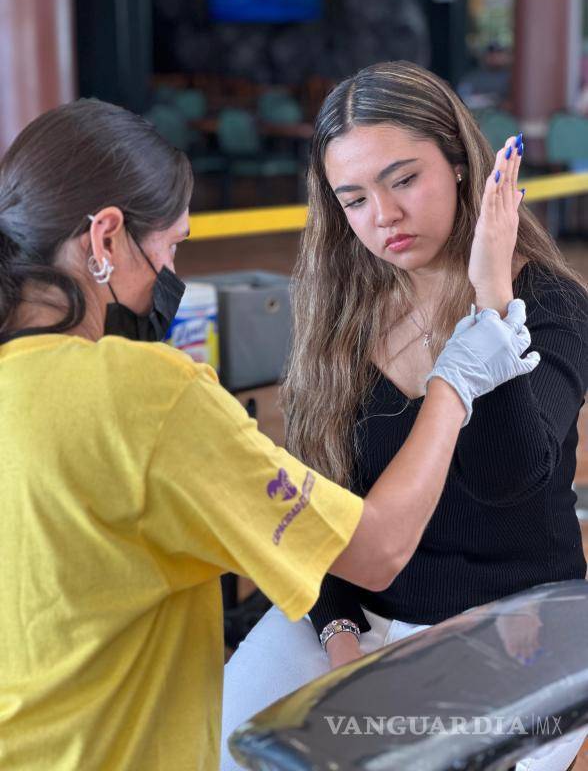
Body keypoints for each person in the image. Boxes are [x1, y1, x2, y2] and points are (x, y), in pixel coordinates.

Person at [0, 98, 534, 771]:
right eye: (171, 246)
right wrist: (454, 383)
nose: (171, 275)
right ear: (105, 239)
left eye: (403, 180)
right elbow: (374, 550)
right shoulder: (142, 392)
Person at [221, 62, 588, 771]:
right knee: (229, 747)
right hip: (362, 614)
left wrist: (491, 301)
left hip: (519, 622)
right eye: (353, 198)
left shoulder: (551, 306)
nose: (382, 216)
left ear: (459, 163)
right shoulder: (336, 318)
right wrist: (339, 638)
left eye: (403, 179)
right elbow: (317, 500)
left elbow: (510, 478)